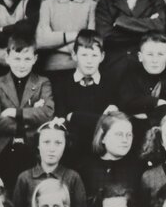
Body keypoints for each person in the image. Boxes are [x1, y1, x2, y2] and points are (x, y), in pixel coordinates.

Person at [0, 34, 56, 187]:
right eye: (17, 59)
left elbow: (47, 114)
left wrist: (15, 113)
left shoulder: (43, 83)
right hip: (3, 150)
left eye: (27, 59)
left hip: (32, 148)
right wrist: (27, 121)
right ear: (7, 57)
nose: (22, 65)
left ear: (35, 59)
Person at [94, 0, 166, 89]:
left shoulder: (157, 2)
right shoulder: (105, 4)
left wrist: (121, 22)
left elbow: (159, 29)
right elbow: (105, 36)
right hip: (114, 69)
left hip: (145, 69)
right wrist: (146, 27)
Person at [51, 30, 118, 169]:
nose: (89, 61)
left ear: (102, 56)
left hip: (100, 153)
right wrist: (99, 118)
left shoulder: (111, 83)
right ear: (74, 55)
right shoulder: (62, 83)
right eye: (84, 55)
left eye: (94, 55)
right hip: (71, 154)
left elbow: (110, 122)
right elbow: (62, 119)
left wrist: (74, 116)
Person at [11, 118, 88, 207]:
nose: (52, 149)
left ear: (65, 145)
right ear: (38, 144)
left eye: (58, 143)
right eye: (46, 142)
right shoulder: (25, 178)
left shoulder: (73, 177)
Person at [80, 111, 144, 207]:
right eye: (119, 134)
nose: (125, 140)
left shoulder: (138, 168)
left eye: (129, 135)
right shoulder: (87, 168)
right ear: (103, 137)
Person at [118, 33, 166, 132]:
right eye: (150, 54)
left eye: (160, 54)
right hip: (134, 132)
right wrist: (157, 102)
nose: (155, 60)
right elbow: (126, 103)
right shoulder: (130, 75)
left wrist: (147, 115)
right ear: (140, 56)